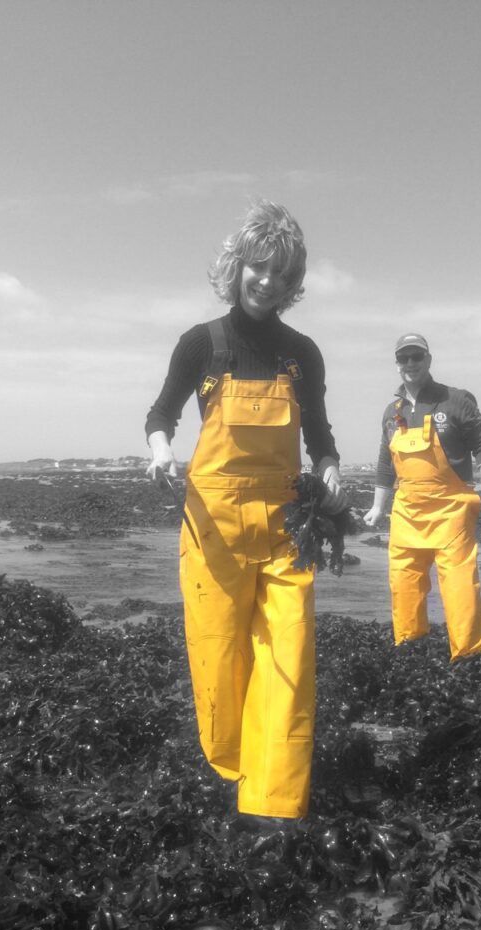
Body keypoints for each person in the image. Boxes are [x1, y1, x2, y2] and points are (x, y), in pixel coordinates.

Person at [145, 200, 346, 823]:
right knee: (220, 654)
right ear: (237, 266)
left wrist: (330, 469)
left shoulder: (302, 353)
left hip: (288, 526)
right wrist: (160, 451)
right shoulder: (201, 343)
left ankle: (274, 799)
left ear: (293, 283)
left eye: (282, 274)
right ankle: (229, 765)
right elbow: (161, 414)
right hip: (214, 526)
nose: (268, 282)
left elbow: (319, 434)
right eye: (260, 267)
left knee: (290, 651)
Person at [363, 333, 481, 660]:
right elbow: (386, 462)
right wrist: (377, 507)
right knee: (404, 581)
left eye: (417, 356)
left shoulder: (455, 400)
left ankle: (469, 655)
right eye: (404, 358)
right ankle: (410, 646)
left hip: (452, 508)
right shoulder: (392, 411)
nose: (410, 363)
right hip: (406, 510)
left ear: (428, 359)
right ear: (397, 363)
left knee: (459, 584)